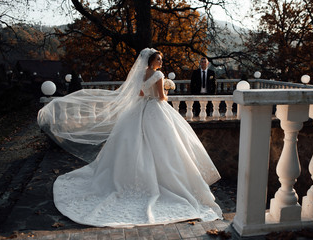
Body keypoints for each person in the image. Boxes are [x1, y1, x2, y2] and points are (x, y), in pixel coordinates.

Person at [37, 48, 222, 227]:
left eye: (161, 60)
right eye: (159, 59)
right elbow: (160, 98)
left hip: (140, 109)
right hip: (156, 110)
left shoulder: (142, 74)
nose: (161, 62)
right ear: (151, 61)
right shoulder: (158, 75)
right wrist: (167, 89)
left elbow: (140, 93)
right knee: (166, 145)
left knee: (136, 144)